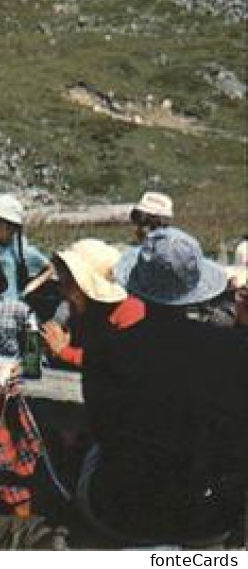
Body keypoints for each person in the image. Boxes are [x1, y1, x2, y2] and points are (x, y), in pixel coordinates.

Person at [77, 228, 247, 546]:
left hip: (119, 509)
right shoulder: (234, 349)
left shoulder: (104, 349)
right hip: (204, 511)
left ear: (137, 286)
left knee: (91, 454)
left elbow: (101, 430)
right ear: (196, 286)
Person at [38, 239, 143, 369]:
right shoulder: (76, 309)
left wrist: (63, 351)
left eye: (69, 284)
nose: (64, 291)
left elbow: (117, 361)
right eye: (62, 283)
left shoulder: (130, 312)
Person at [0, 194, 50, 306]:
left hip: (11, 305)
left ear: (11, 228)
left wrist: (29, 289)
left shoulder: (21, 251)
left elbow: (49, 268)